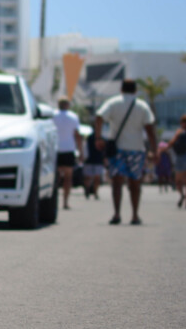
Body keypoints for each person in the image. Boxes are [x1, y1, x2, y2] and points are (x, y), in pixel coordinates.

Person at [95, 79, 157, 225]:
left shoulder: (113, 102)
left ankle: (116, 214)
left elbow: (99, 117)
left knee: (117, 182)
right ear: (135, 90)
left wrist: (98, 137)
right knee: (135, 183)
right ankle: (135, 215)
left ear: (121, 89)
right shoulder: (142, 105)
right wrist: (154, 150)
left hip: (117, 149)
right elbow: (150, 129)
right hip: (136, 149)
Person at [52, 98, 83, 209]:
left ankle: (52, 201)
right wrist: (81, 152)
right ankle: (65, 201)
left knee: (55, 177)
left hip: (55, 149)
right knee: (68, 178)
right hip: (69, 150)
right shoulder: (73, 116)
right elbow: (77, 135)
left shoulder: (53, 115)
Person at [83, 129, 106, 199]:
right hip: (93, 160)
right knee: (93, 178)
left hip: (94, 160)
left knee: (94, 178)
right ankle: (91, 191)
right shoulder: (92, 138)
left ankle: (93, 191)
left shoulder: (101, 138)